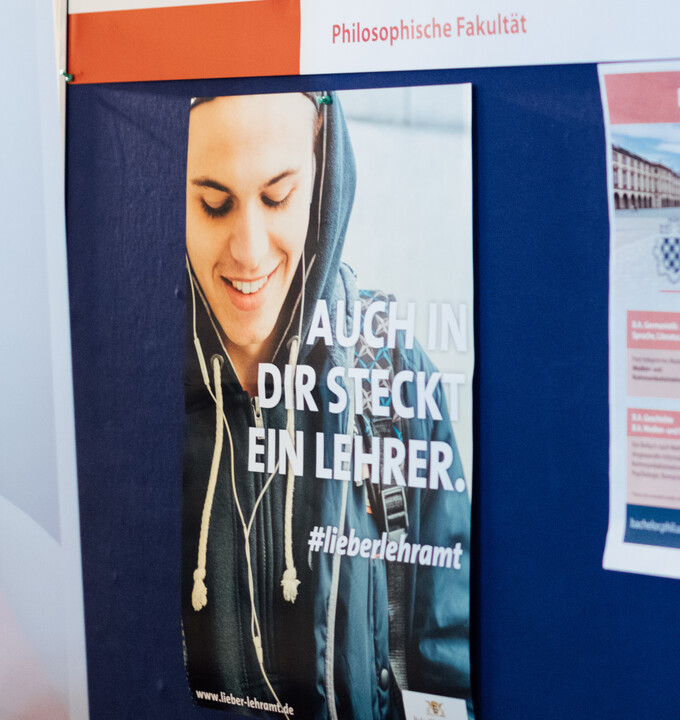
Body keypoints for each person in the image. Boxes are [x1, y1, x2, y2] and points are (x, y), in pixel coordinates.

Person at [180, 91, 472, 720]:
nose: (249, 251)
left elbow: (446, 662)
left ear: (325, 178)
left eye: (278, 197)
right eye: (212, 204)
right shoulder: (126, 380)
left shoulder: (393, 377)